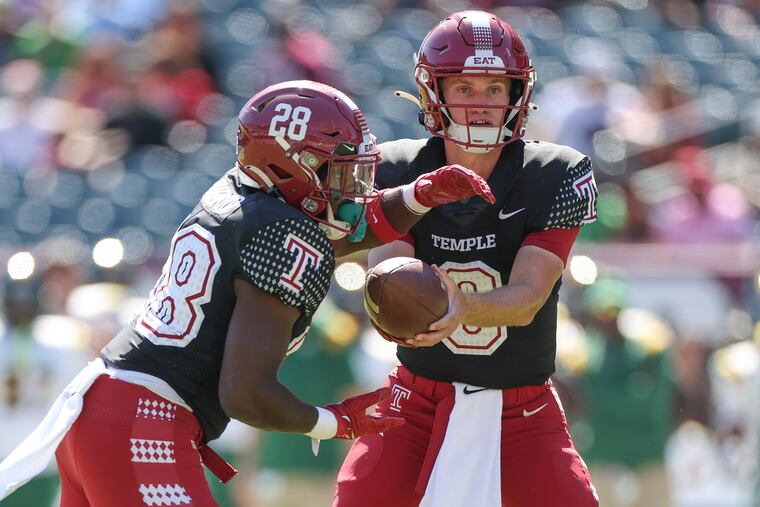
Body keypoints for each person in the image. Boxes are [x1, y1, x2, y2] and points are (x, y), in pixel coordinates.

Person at [0, 80, 494, 506]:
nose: (353, 184)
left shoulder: (240, 195)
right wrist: (333, 422)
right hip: (141, 421)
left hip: (102, 409)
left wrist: (418, 196)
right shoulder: (284, 232)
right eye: (338, 168)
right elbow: (246, 393)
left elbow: (338, 231)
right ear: (292, 166)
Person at [333, 11, 599, 507]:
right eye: (464, 88)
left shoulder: (555, 173)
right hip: (414, 403)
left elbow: (527, 299)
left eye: (495, 89)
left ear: (516, 96)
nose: (480, 104)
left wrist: (460, 308)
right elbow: (390, 277)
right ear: (435, 92)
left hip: (521, 412)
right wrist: (397, 301)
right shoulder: (396, 166)